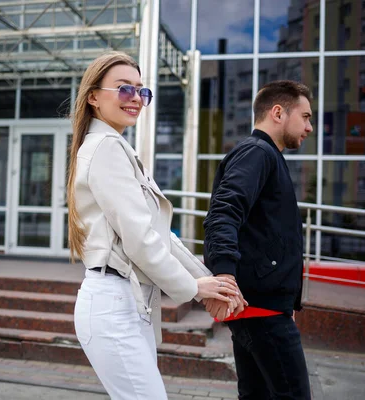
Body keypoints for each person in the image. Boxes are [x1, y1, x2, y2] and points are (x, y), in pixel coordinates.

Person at [67, 51, 244, 400]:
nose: (135, 98)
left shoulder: (117, 147)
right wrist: (197, 288)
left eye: (140, 91)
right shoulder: (106, 148)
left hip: (129, 304)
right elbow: (141, 241)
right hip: (113, 304)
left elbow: (160, 235)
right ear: (92, 96)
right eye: (123, 89)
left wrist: (208, 280)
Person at [203, 80, 313, 399]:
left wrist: (287, 303)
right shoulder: (257, 152)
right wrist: (224, 275)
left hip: (263, 306)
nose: (308, 127)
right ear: (278, 112)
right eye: (305, 117)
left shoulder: (267, 156)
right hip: (260, 308)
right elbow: (223, 212)